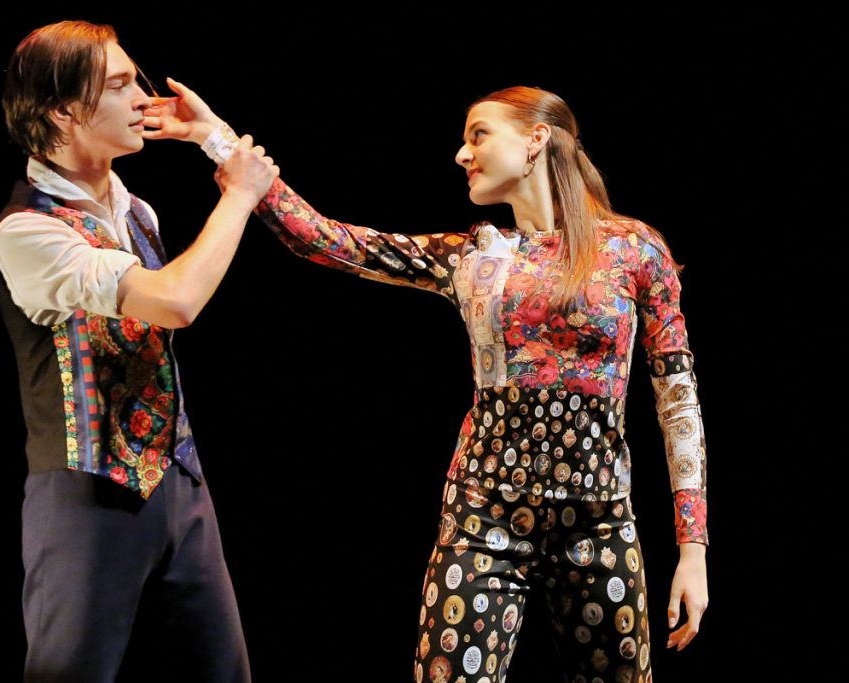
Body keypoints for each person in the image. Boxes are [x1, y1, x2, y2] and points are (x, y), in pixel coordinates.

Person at [143, 82, 708, 682]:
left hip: (598, 519)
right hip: (484, 517)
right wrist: (214, 138)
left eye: (478, 135)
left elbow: (677, 400)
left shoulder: (632, 250)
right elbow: (324, 238)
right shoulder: (473, 255)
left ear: (536, 138)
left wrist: (692, 548)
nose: (462, 154)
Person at [0, 20, 277, 681]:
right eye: (120, 85)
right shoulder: (27, 231)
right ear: (64, 112)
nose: (143, 99)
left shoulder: (138, 211)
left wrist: (213, 138)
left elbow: (263, 185)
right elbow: (176, 300)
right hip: (86, 495)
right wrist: (237, 194)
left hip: (178, 480)